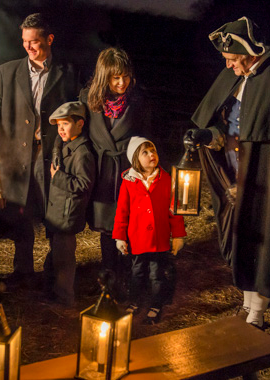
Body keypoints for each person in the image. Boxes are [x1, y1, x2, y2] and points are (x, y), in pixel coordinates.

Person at [186, 17, 270, 328]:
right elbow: (222, 121)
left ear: (250, 54)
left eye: (231, 60)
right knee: (239, 232)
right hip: (231, 170)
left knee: (262, 233)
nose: (228, 67)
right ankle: (245, 300)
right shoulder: (237, 77)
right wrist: (207, 135)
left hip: (264, 175)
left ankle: (257, 311)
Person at [0, 13, 79, 286]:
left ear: (49, 39)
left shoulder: (67, 72)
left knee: (53, 212)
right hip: (15, 156)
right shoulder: (7, 72)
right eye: (25, 41)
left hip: (52, 155)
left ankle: (53, 272)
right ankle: (23, 272)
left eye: (34, 41)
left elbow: (77, 109)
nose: (28, 47)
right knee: (19, 215)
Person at [81, 47, 149, 295]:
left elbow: (148, 139)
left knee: (129, 228)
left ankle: (131, 282)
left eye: (126, 77)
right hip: (102, 174)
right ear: (104, 77)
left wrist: (144, 169)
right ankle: (108, 280)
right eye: (115, 77)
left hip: (129, 172)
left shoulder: (138, 100)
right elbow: (79, 136)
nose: (122, 83)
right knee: (107, 231)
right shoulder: (88, 100)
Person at [113, 137, 186, 324]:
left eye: (153, 150)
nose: (151, 155)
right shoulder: (129, 182)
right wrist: (120, 237)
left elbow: (174, 210)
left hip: (158, 239)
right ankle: (135, 301)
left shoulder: (166, 179)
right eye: (145, 152)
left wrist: (178, 235)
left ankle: (156, 305)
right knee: (137, 272)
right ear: (135, 158)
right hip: (137, 239)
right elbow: (122, 211)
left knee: (157, 274)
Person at [42, 101, 95, 306]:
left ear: (80, 124)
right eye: (58, 125)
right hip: (58, 213)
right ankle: (51, 293)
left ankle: (64, 300)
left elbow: (83, 184)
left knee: (64, 261)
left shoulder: (82, 153)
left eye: (65, 123)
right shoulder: (64, 145)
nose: (60, 129)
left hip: (67, 214)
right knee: (55, 256)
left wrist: (58, 177)